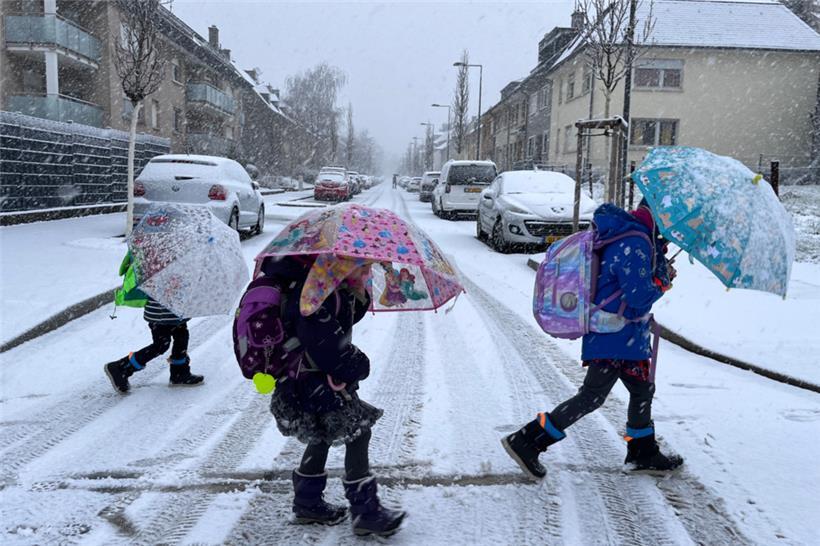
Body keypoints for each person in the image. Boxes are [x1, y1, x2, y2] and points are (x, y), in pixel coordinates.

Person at [503, 199, 683, 478]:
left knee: (641, 389)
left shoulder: (632, 235)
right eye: (671, 220)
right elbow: (638, 298)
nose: (672, 229)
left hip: (623, 334)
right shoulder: (635, 242)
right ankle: (528, 440)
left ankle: (642, 451)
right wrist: (663, 282)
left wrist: (657, 264)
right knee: (592, 396)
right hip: (614, 334)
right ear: (660, 216)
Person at [261, 255, 406, 538]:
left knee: (322, 432)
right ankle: (366, 512)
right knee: (358, 431)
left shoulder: (327, 287)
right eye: (363, 267)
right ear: (343, 265)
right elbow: (325, 344)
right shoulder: (315, 294)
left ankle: (307, 501)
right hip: (311, 378)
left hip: (308, 378)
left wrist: (357, 294)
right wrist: (357, 364)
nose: (368, 273)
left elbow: (341, 318)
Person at [103, 296, 204, 393]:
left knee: (181, 337)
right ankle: (121, 367)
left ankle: (179, 373)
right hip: (160, 314)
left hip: (176, 312)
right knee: (161, 345)